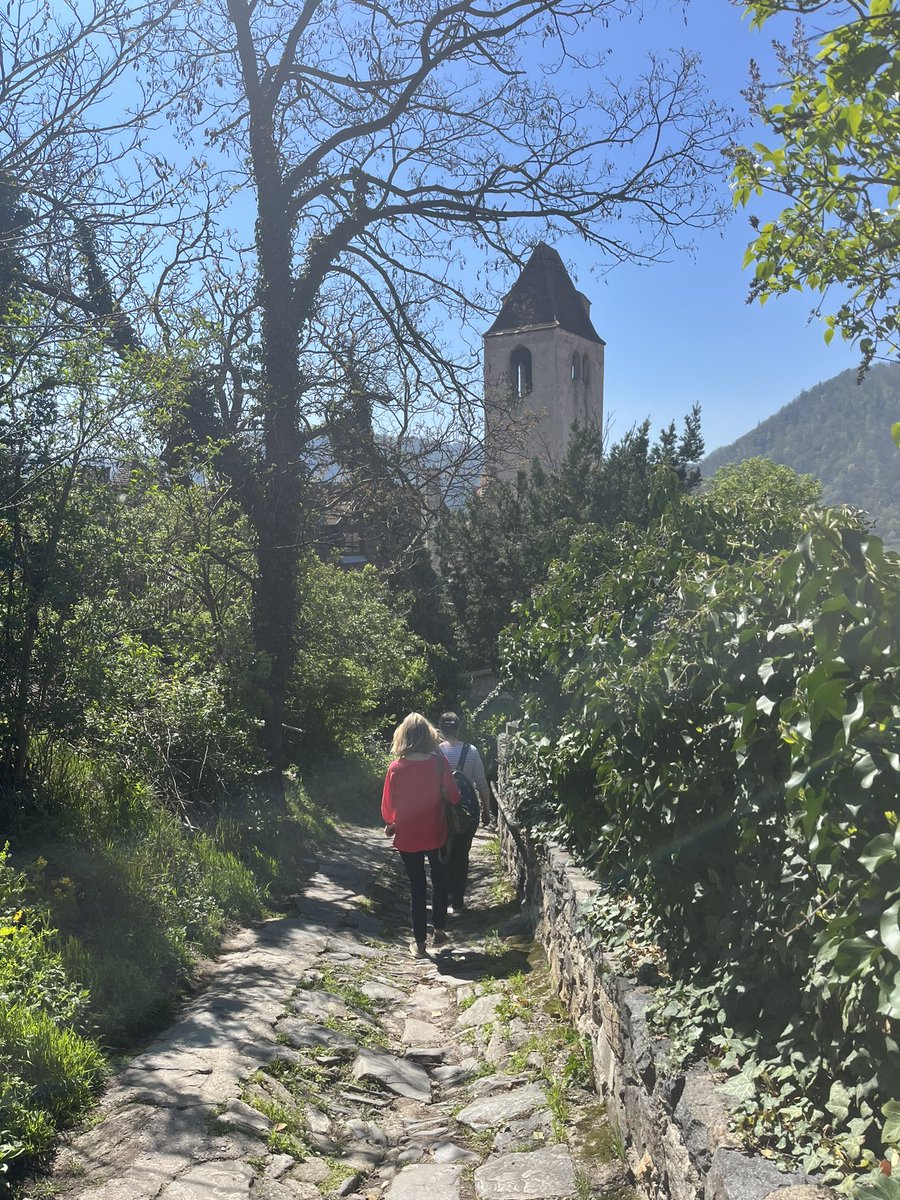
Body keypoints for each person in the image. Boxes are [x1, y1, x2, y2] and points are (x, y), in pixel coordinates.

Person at [381, 712, 460, 958]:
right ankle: (439, 929)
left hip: (407, 835)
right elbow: (455, 797)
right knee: (439, 878)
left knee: (416, 884)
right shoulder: (438, 763)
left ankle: (419, 943)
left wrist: (392, 823)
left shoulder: (396, 768)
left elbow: (388, 808)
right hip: (436, 831)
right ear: (429, 735)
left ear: (403, 737)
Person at [437, 712, 491, 915]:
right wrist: (486, 810)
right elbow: (482, 784)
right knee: (461, 854)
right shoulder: (472, 751)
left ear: (441, 729)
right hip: (466, 813)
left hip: (441, 812)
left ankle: (444, 897)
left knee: (442, 853)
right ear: (459, 728)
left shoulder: (436, 752)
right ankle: (458, 900)